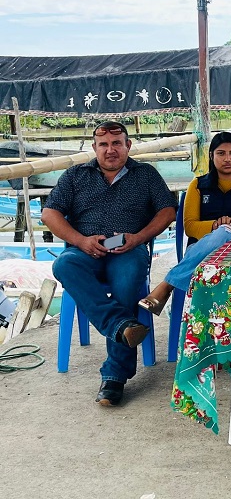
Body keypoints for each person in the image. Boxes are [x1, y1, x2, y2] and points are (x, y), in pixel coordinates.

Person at [45, 121, 177, 407]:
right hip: (86, 250)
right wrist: (81, 241)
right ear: (94, 148)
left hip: (127, 250)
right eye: (103, 144)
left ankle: (114, 376)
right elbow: (49, 213)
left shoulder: (145, 174)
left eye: (117, 143)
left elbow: (168, 210)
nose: (110, 150)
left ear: (128, 146)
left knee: (127, 282)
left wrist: (138, 237)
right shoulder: (76, 175)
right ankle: (121, 325)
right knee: (63, 265)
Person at [138, 131, 231, 315]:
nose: (227, 159)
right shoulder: (198, 185)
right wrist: (215, 226)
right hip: (199, 250)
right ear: (211, 156)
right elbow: (190, 227)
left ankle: (168, 285)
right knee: (224, 230)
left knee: (228, 231)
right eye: (221, 153)